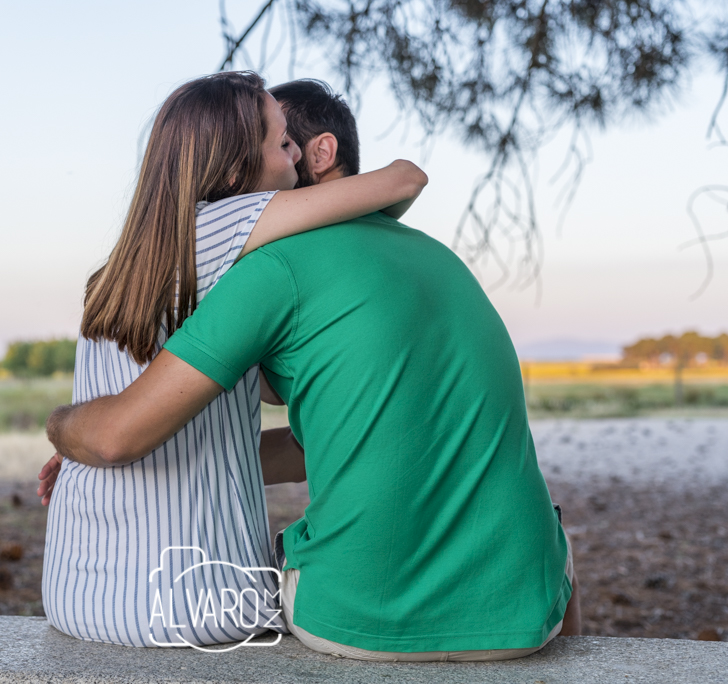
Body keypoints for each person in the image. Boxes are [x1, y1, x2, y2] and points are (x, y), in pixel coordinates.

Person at [42, 79, 580, 660]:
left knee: (272, 570)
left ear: (320, 153)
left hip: (358, 618)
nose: (290, 158)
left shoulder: (267, 266)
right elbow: (358, 432)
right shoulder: (435, 255)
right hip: (527, 606)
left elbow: (119, 434)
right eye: (279, 148)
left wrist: (67, 432)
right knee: (555, 542)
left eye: (289, 143)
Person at [38, 71, 428, 648]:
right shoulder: (230, 223)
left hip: (79, 593)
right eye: (281, 143)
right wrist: (63, 429)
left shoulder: (120, 272)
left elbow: (229, 421)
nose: (295, 155)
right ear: (230, 175)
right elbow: (404, 179)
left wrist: (74, 448)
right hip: (194, 603)